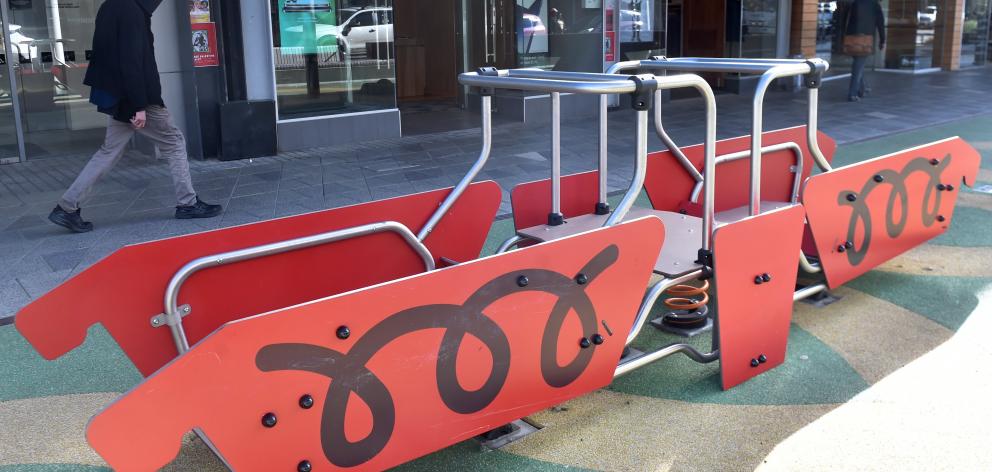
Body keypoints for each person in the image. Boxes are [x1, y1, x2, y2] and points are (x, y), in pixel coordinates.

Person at [49, 0, 222, 233]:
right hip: (138, 98)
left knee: (109, 151)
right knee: (174, 142)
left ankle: (67, 206)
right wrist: (139, 106)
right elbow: (132, 62)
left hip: (120, 96)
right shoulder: (131, 11)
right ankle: (188, 203)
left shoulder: (111, 6)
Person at [843, 0, 885, 102]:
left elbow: (845, 21)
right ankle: (852, 94)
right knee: (857, 67)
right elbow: (880, 23)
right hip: (865, 40)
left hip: (851, 40)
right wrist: (882, 40)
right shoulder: (875, 5)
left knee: (858, 65)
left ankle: (863, 89)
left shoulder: (854, 3)